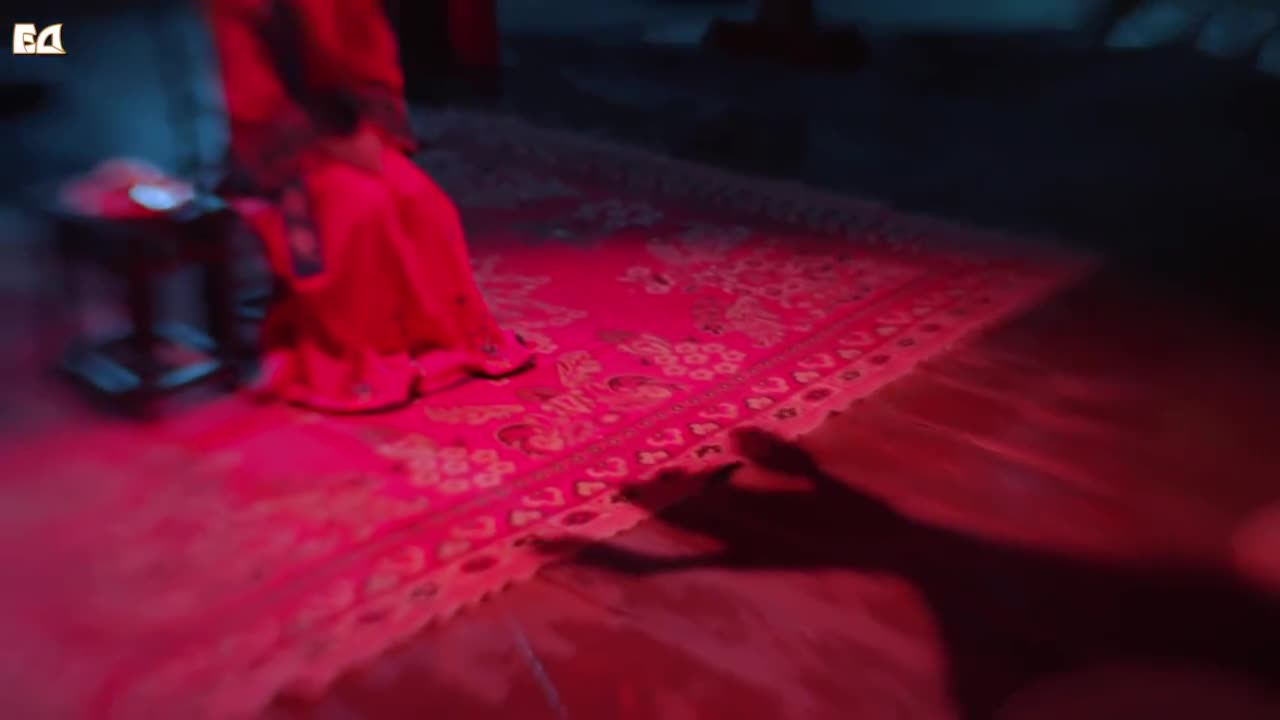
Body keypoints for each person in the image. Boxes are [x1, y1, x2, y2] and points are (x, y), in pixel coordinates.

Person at [206, 0, 531, 412]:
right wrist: (328, 142)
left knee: (421, 200)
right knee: (359, 208)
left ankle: (429, 343)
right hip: (281, 150)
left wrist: (370, 133)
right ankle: (357, 355)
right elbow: (248, 90)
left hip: (349, 131)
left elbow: (369, 62)